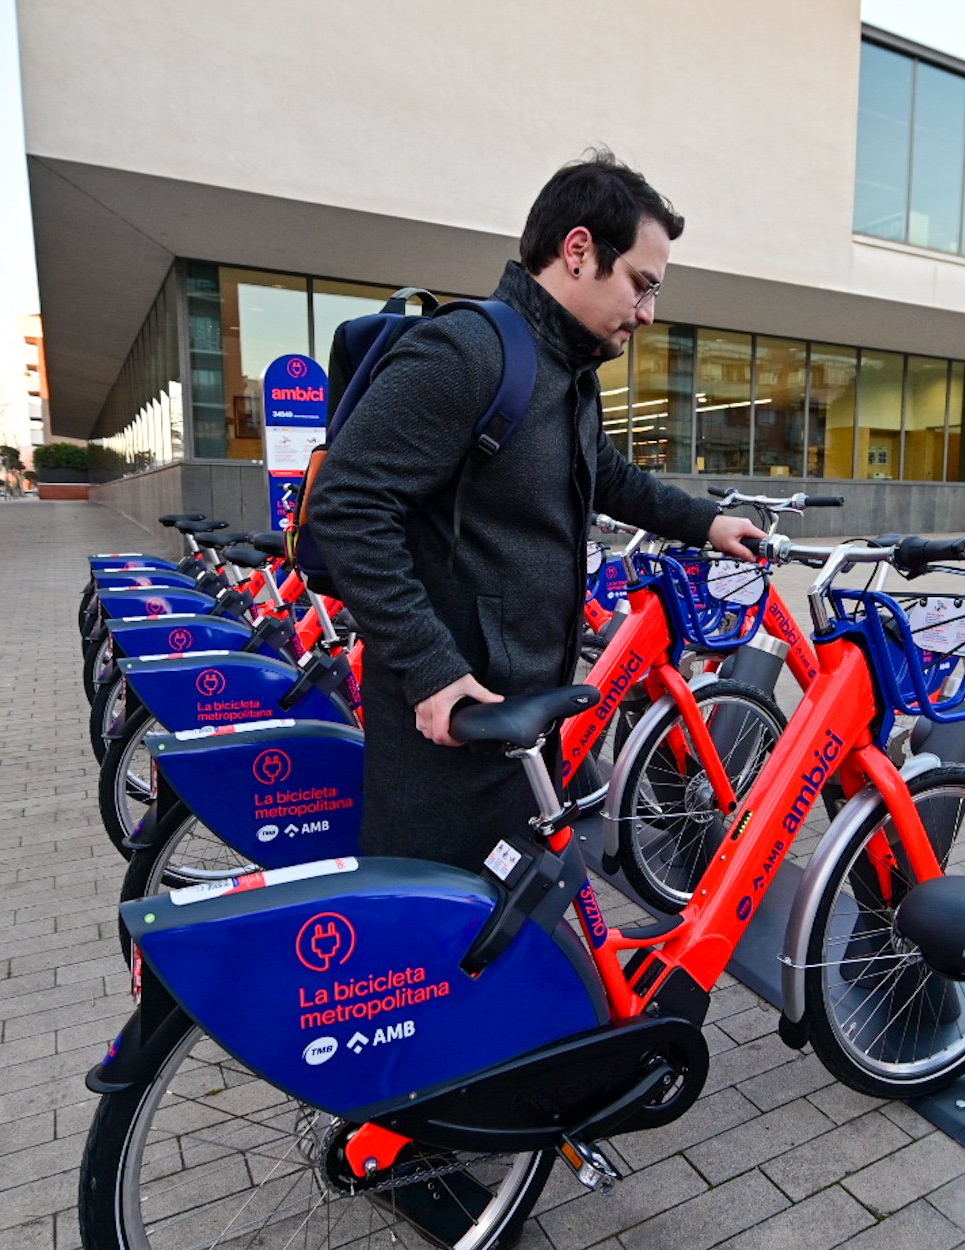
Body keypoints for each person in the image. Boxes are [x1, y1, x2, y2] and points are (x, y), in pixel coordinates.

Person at [311, 151, 764, 873]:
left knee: (508, 936)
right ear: (579, 251)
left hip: (518, 715)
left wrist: (706, 524)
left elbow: (604, 475)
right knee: (437, 948)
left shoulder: (567, 373)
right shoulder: (466, 351)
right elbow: (347, 507)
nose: (648, 313)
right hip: (452, 726)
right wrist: (431, 669)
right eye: (642, 286)